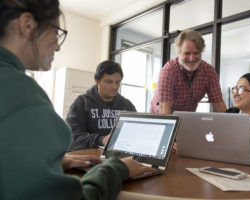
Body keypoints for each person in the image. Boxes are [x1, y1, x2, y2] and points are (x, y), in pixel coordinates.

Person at [0, 1, 154, 199]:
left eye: (118, 82)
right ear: (27, 25)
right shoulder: (23, 95)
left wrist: (61, 161)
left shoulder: (126, 104)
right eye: (56, 32)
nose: (57, 46)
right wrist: (116, 169)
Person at [150, 30, 226, 114]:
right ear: (179, 52)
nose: (192, 58)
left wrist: (229, 125)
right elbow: (164, 109)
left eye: (196, 53)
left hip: (187, 118)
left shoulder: (209, 72)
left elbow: (218, 104)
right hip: (161, 118)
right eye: (187, 53)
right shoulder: (169, 70)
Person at [66, 60, 136, 151]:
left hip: (118, 157)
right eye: (109, 82)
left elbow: (134, 135)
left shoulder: (127, 106)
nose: (114, 87)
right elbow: (71, 136)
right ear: (97, 81)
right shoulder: (82, 103)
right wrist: (101, 140)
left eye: (117, 82)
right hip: (89, 159)